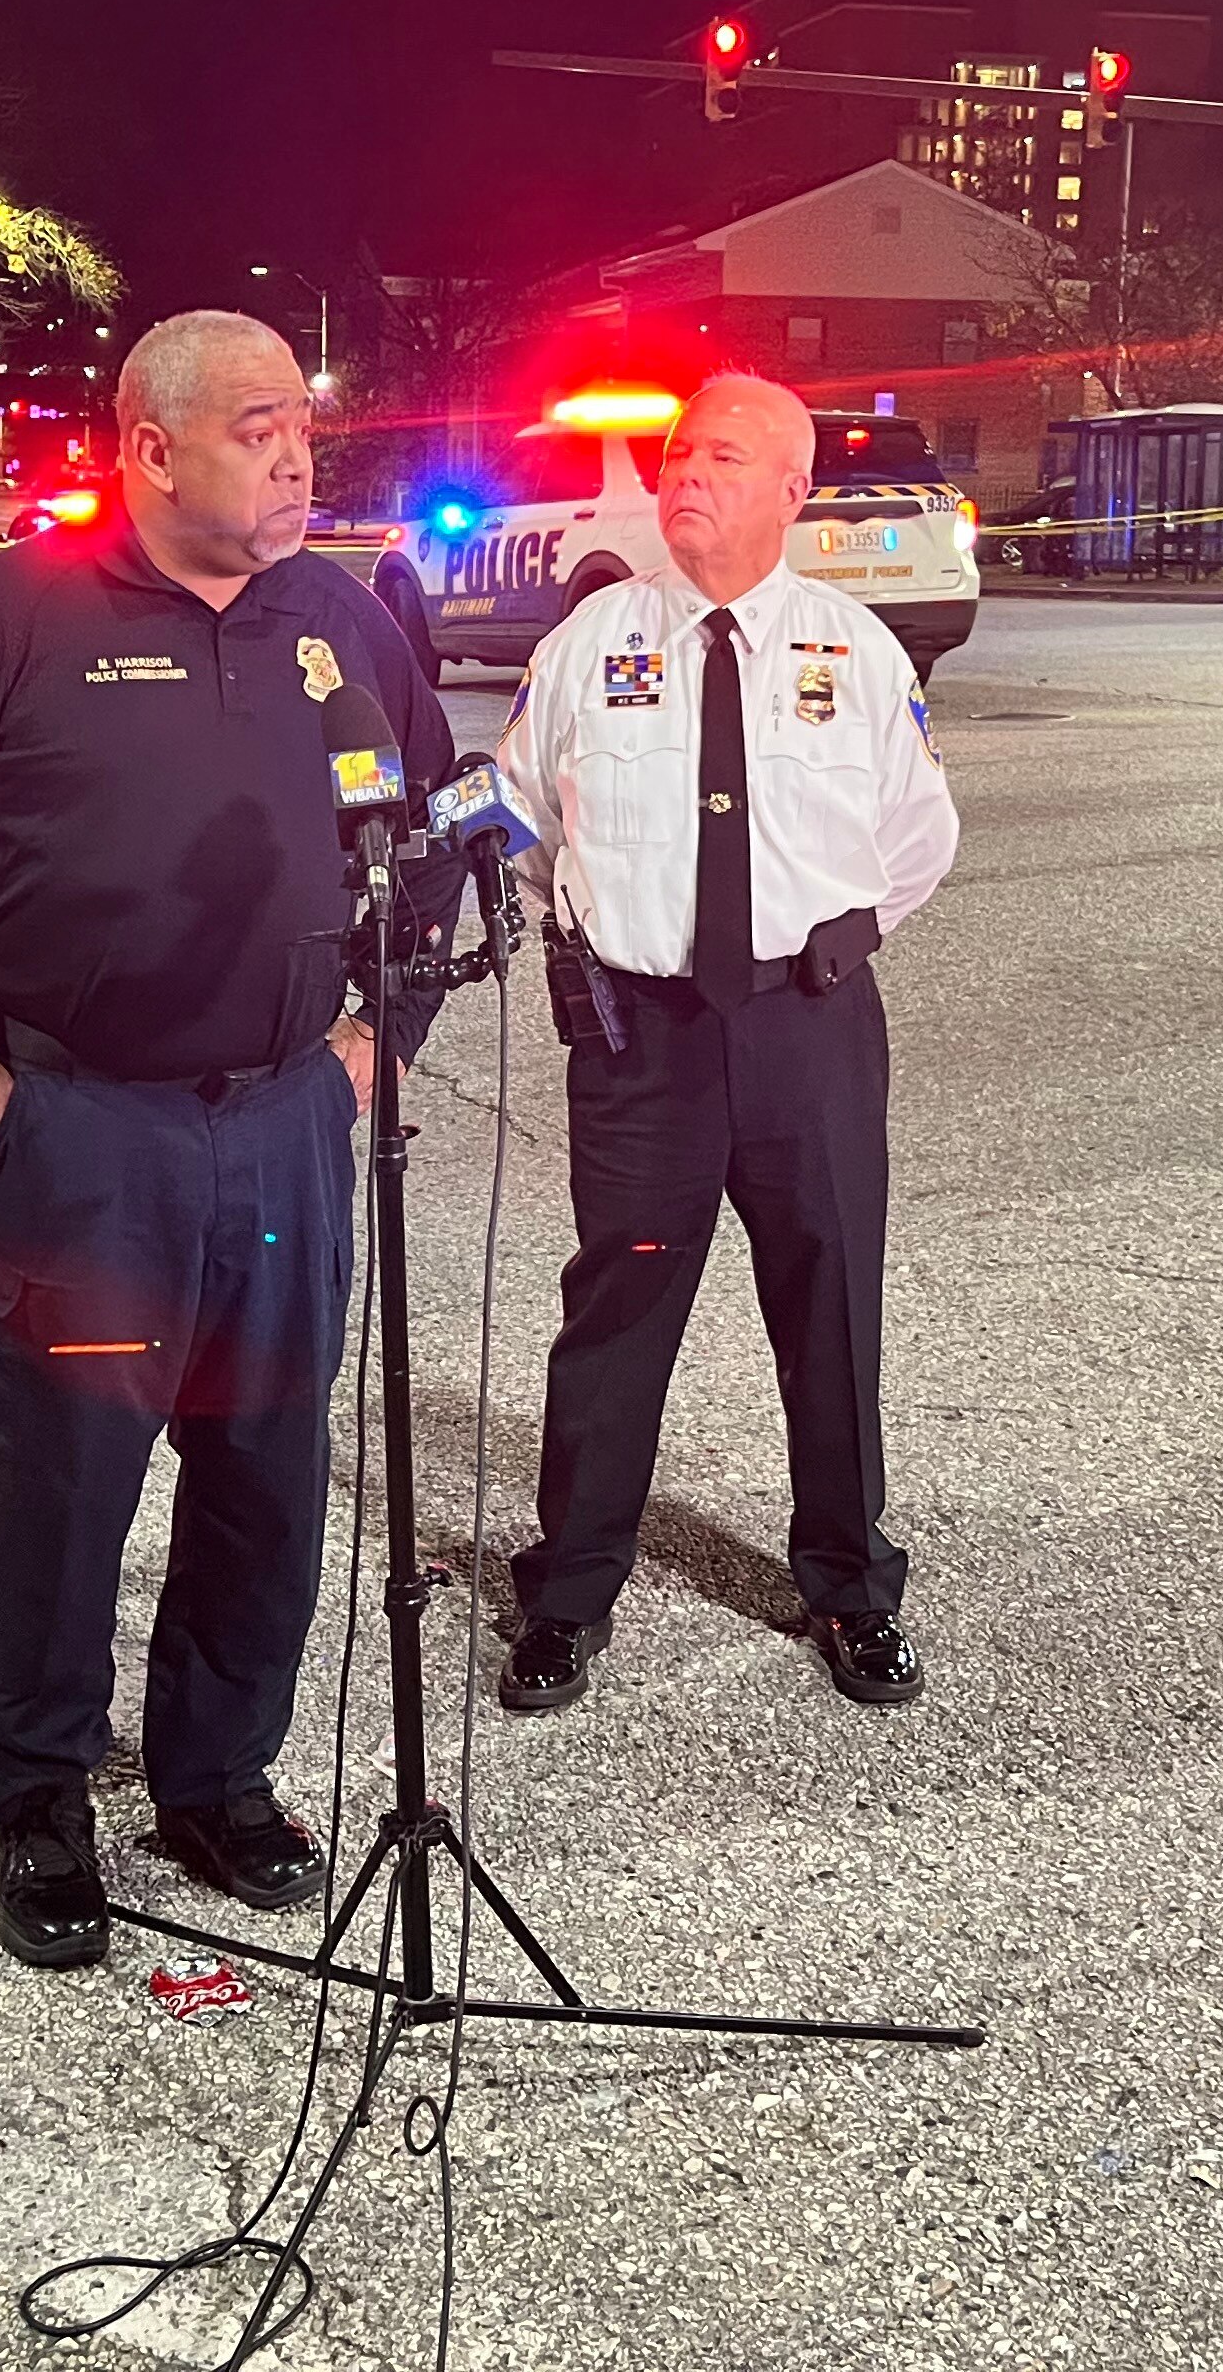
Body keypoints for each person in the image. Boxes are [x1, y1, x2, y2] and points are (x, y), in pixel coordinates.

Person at [0, 311, 458, 1970]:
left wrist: (387, 1029)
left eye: (302, 426)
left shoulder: (345, 618)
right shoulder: (16, 615)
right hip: (84, 1138)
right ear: (151, 449)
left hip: (290, 1125)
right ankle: (37, 1792)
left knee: (267, 1472)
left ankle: (216, 1775)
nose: (297, 456)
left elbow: (432, 834)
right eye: (256, 428)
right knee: (57, 1481)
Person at [488, 373, 958, 1716]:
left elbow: (918, 838)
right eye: (682, 450)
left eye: (727, 455)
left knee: (830, 1302)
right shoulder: (591, 642)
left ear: (793, 494)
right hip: (643, 1043)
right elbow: (522, 822)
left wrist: (821, 950)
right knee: (619, 1309)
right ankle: (569, 1595)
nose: (689, 471)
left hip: (808, 1030)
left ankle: (852, 1588)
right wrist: (598, 939)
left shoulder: (852, 651)